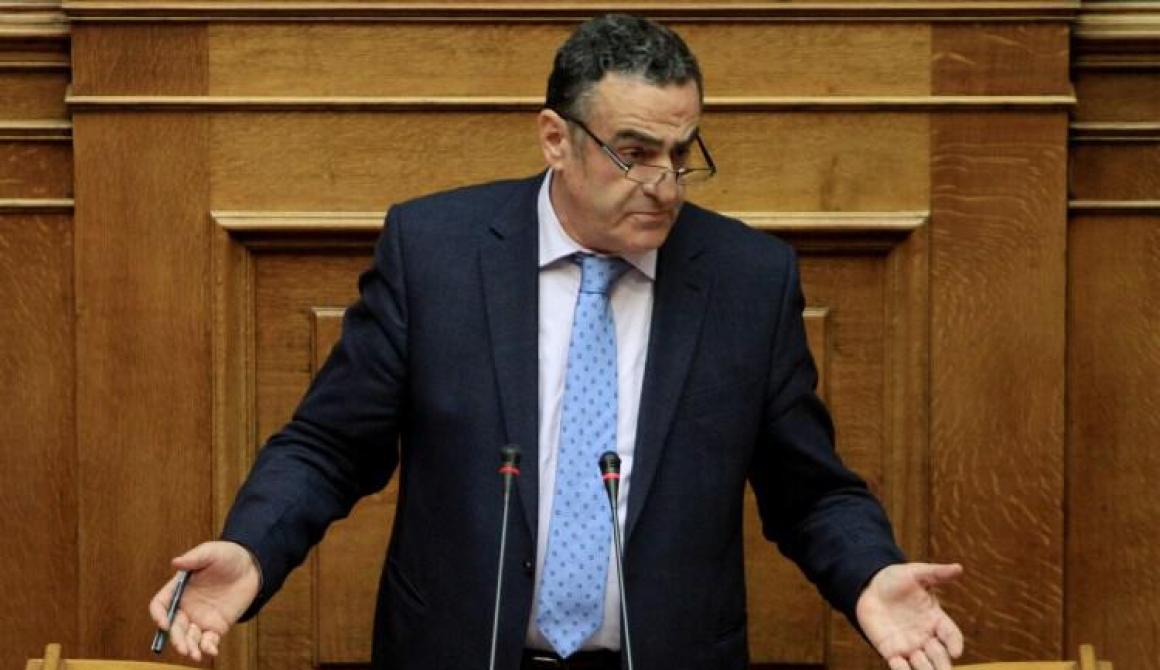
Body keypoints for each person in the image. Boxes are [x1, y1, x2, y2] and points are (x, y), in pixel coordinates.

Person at [149, 13, 964, 670]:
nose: (664, 184)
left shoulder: (748, 280)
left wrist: (871, 574)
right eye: (634, 153)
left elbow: (808, 490)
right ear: (554, 138)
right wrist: (252, 549)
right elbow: (330, 446)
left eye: (682, 153)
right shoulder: (436, 254)